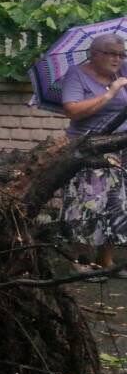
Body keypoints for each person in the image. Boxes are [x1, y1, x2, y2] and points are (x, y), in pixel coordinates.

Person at [60, 33, 127, 271]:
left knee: (116, 204)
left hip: (119, 150)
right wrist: (109, 93)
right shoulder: (76, 75)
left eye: (121, 54)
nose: (117, 59)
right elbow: (73, 110)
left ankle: (106, 260)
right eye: (111, 53)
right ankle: (81, 261)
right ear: (94, 54)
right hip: (88, 151)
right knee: (87, 205)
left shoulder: (124, 70)